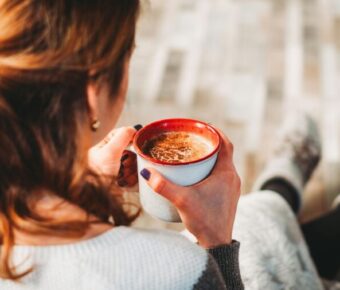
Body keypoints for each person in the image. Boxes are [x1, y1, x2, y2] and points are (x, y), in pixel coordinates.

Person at [0, 1, 243, 289]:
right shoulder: (177, 269)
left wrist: (78, 190)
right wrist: (217, 242)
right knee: (260, 215)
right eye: (128, 57)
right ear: (93, 93)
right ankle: (284, 181)